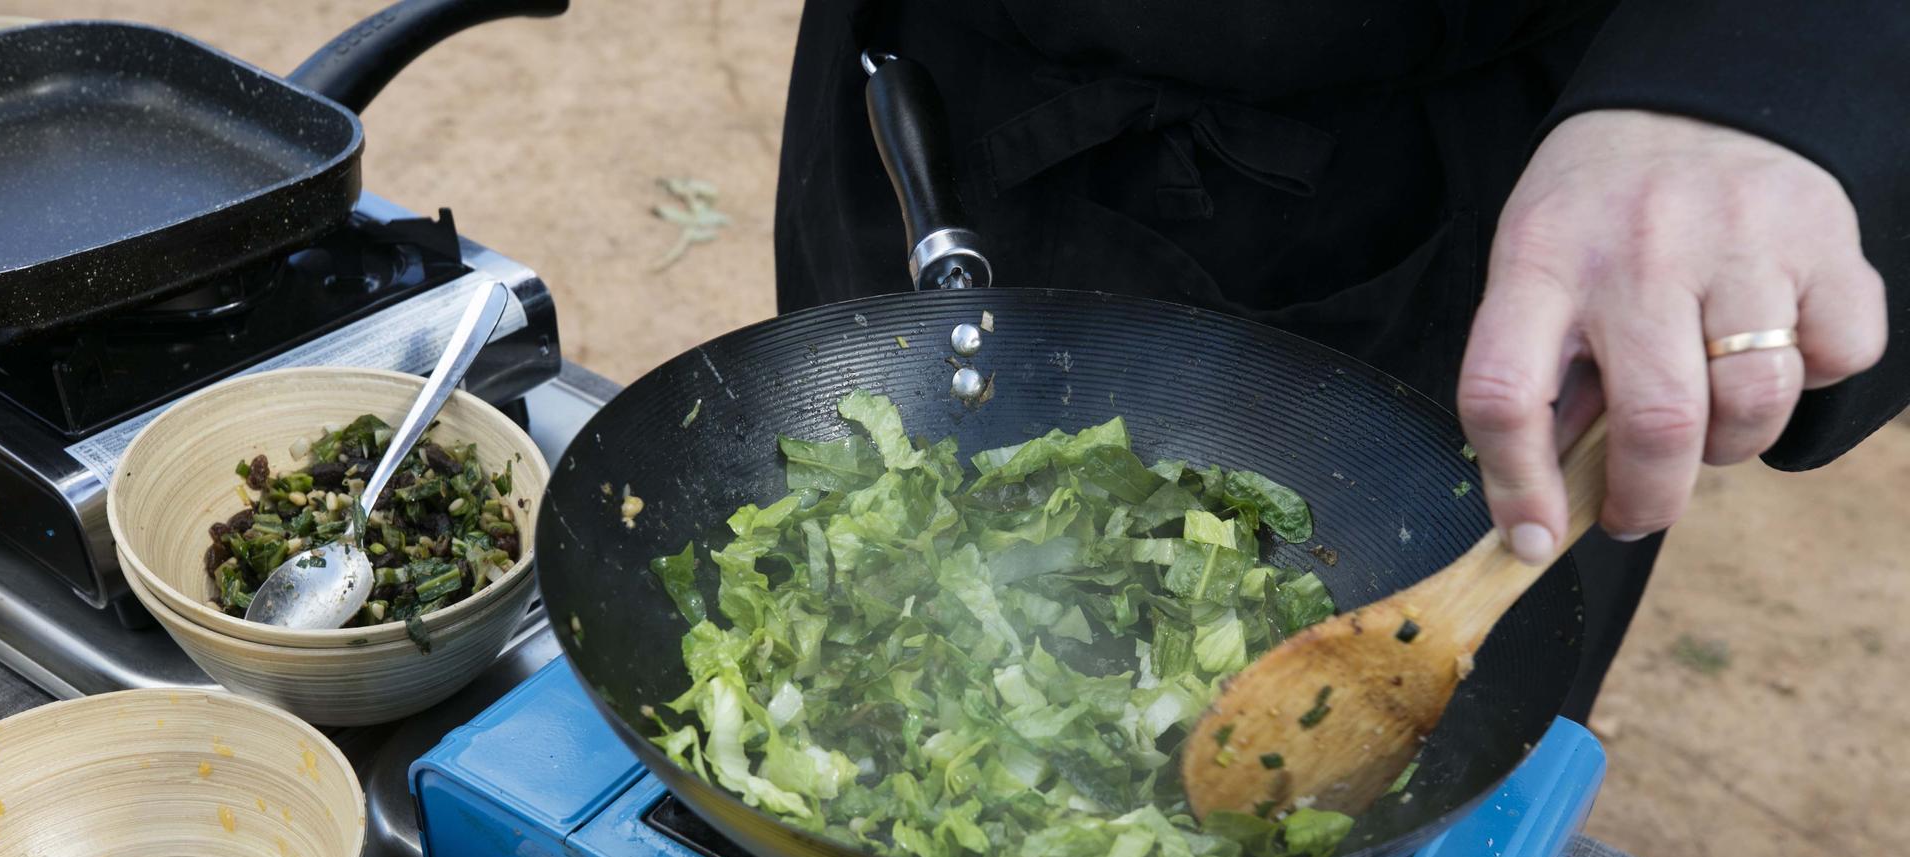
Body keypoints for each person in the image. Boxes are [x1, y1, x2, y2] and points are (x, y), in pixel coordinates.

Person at [772, 1, 1906, 718]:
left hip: (1479, 171)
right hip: (933, 86)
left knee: (1444, 706)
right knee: (852, 553)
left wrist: (1765, 76)